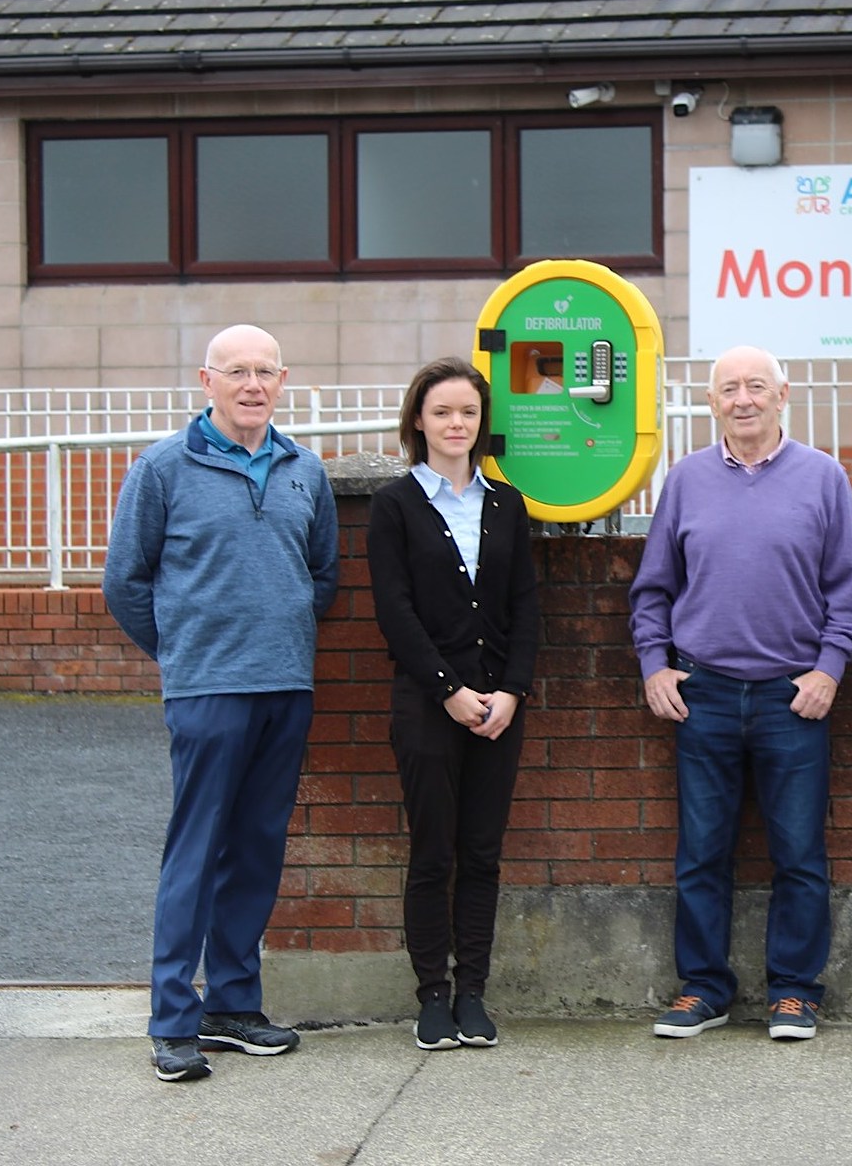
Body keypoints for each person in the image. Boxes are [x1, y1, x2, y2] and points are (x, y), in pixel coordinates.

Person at [103, 324, 340, 1083]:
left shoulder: (305, 469)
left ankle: (232, 1004)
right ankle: (173, 1019)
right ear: (205, 381)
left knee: (257, 850)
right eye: (235, 371)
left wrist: (284, 633)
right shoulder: (164, 468)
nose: (251, 385)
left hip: (284, 686)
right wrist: (181, 652)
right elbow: (125, 581)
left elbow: (322, 575)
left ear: (283, 379)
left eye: (264, 371)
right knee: (196, 852)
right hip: (207, 688)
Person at [628, 345, 852, 1042]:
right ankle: (703, 989)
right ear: (711, 402)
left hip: (791, 698)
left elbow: (847, 592)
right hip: (701, 693)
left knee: (797, 853)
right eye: (728, 388)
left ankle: (794, 992)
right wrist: (654, 663)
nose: (742, 399)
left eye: (755, 386)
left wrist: (828, 668)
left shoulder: (823, 477)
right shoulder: (684, 480)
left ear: (781, 394)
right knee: (701, 852)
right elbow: (653, 588)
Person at [367, 358, 539, 1053]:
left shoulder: (507, 504)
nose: (456, 424)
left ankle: (472, 993)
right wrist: (448, 689)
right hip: (427, 705)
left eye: (467, 411)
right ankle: (431, 999)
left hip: (498, 707)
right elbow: (394, 611)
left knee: (482, 854)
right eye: (442, 411)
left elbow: (524, 606)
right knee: (432, 854)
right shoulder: (394, 505)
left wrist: (510, 690)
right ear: (418, 420)